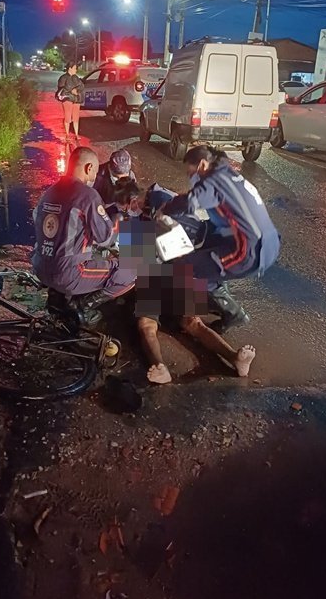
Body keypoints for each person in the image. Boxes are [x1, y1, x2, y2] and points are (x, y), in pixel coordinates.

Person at [111, 179, 255, 384]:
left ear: (131, 201)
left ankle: (162, 366)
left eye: (127, 205)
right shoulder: (163, 200)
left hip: (162, 273)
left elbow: (135, 267)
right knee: (193, 323)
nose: (129, 209)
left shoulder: (137, 222)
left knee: (147, 325)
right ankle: (234, 358)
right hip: (184, 268)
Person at [160, 146, 281, 331]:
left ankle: (233, 313)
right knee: (205, 255)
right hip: (268, 242)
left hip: (250, 250)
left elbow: (190, 202)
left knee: (185, 267)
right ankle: (210, 296)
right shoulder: (228, 174)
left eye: (190, 172)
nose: (190, 176)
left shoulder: (213, 181)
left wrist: (165, 209)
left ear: (202, 165)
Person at [31, 146, 135, 321]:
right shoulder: (87, 195)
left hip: (40, 267)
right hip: (69, 274)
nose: (94, 176)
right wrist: (117, 221)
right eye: (94, 171)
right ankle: (82, 308)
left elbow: (39, 221)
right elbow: (105, 237)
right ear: (89, 168)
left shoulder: (49, 192)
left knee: (76, 251)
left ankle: (56, 298)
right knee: (130, 272)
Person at [56, 62, 84, 141]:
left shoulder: (76, 77)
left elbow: (82, 86)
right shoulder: (63, 78)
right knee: (67, 117)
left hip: (76, 99)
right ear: (70, 68)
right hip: (67, 99)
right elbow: (61, 90)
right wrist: (71, 91)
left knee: (76, 118)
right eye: (74, 68)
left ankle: (76, 134)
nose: (76, 70)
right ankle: (67, 135)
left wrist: (77, 90)